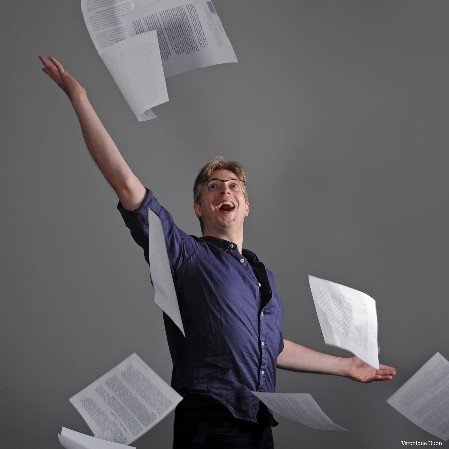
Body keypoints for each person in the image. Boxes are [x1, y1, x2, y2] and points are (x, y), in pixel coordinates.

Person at [39, 55, 396, 449]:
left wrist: (347, 365)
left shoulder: (262, 274)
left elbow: (270, 347)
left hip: (257, 421)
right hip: (209, 420)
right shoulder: (185, 254)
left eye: (234, 187)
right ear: (199, 208)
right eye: (213, 187)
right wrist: (80, 98)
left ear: (246, 206)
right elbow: (125, 184)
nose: (225, 190)